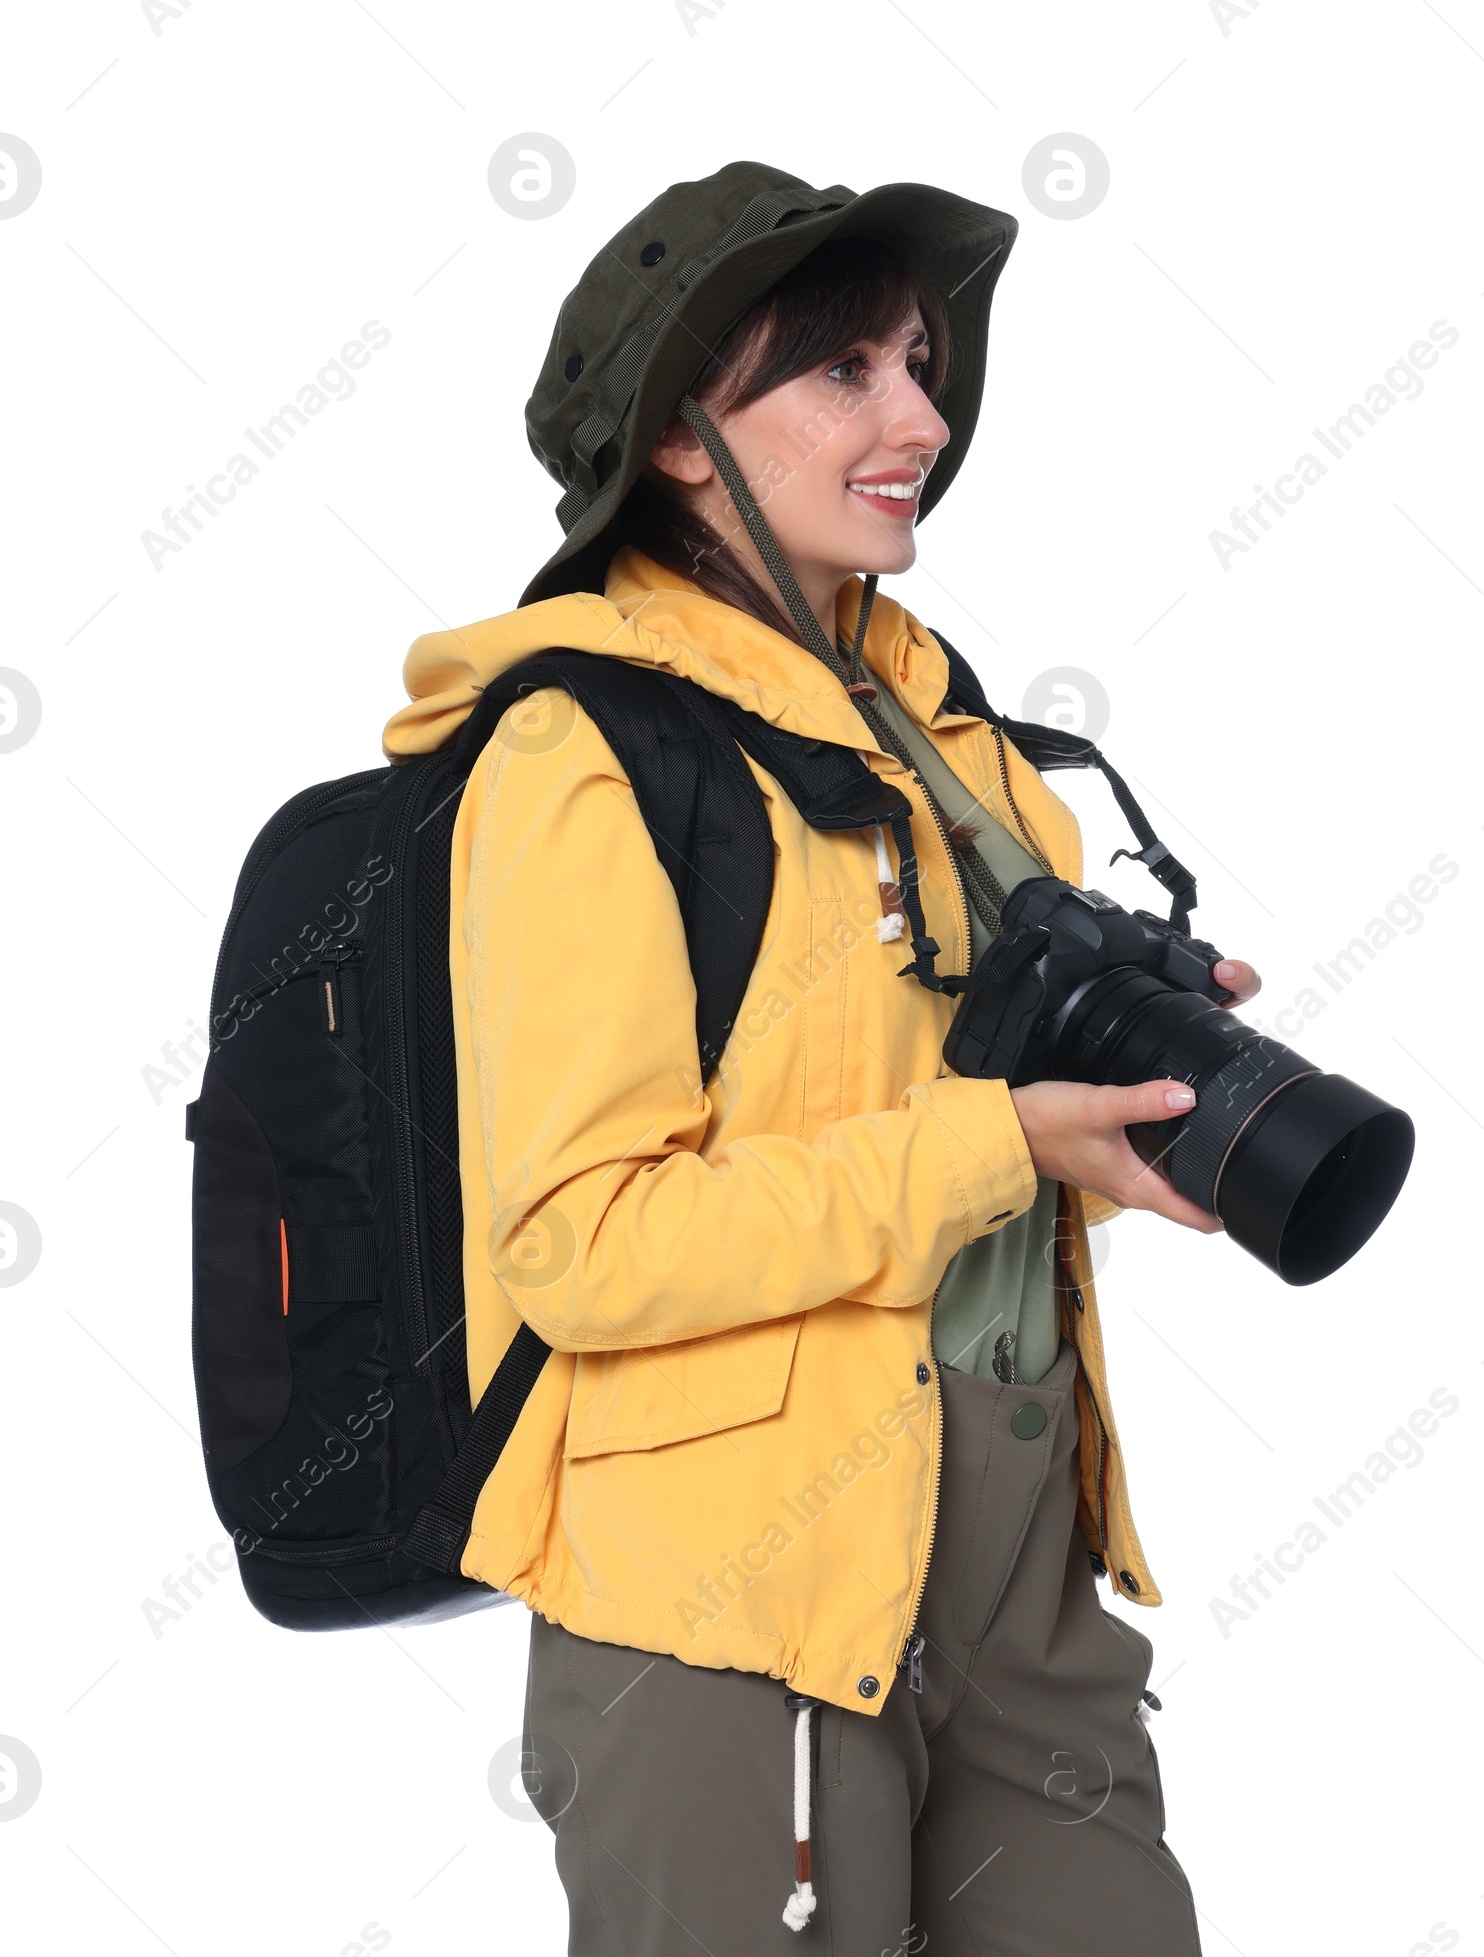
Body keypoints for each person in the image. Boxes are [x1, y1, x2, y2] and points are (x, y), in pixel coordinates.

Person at [382, 160, 1260, 1955]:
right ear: (687, 435)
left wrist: (1150, 1075)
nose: (922, 417)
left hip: (1022, 1560)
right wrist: (1005, 1142)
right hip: (733, 1606)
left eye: (923, 365)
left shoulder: (964, 746)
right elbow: (582, 1238)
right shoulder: (584, 751)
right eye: (848, 372)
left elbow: (955, 1098)